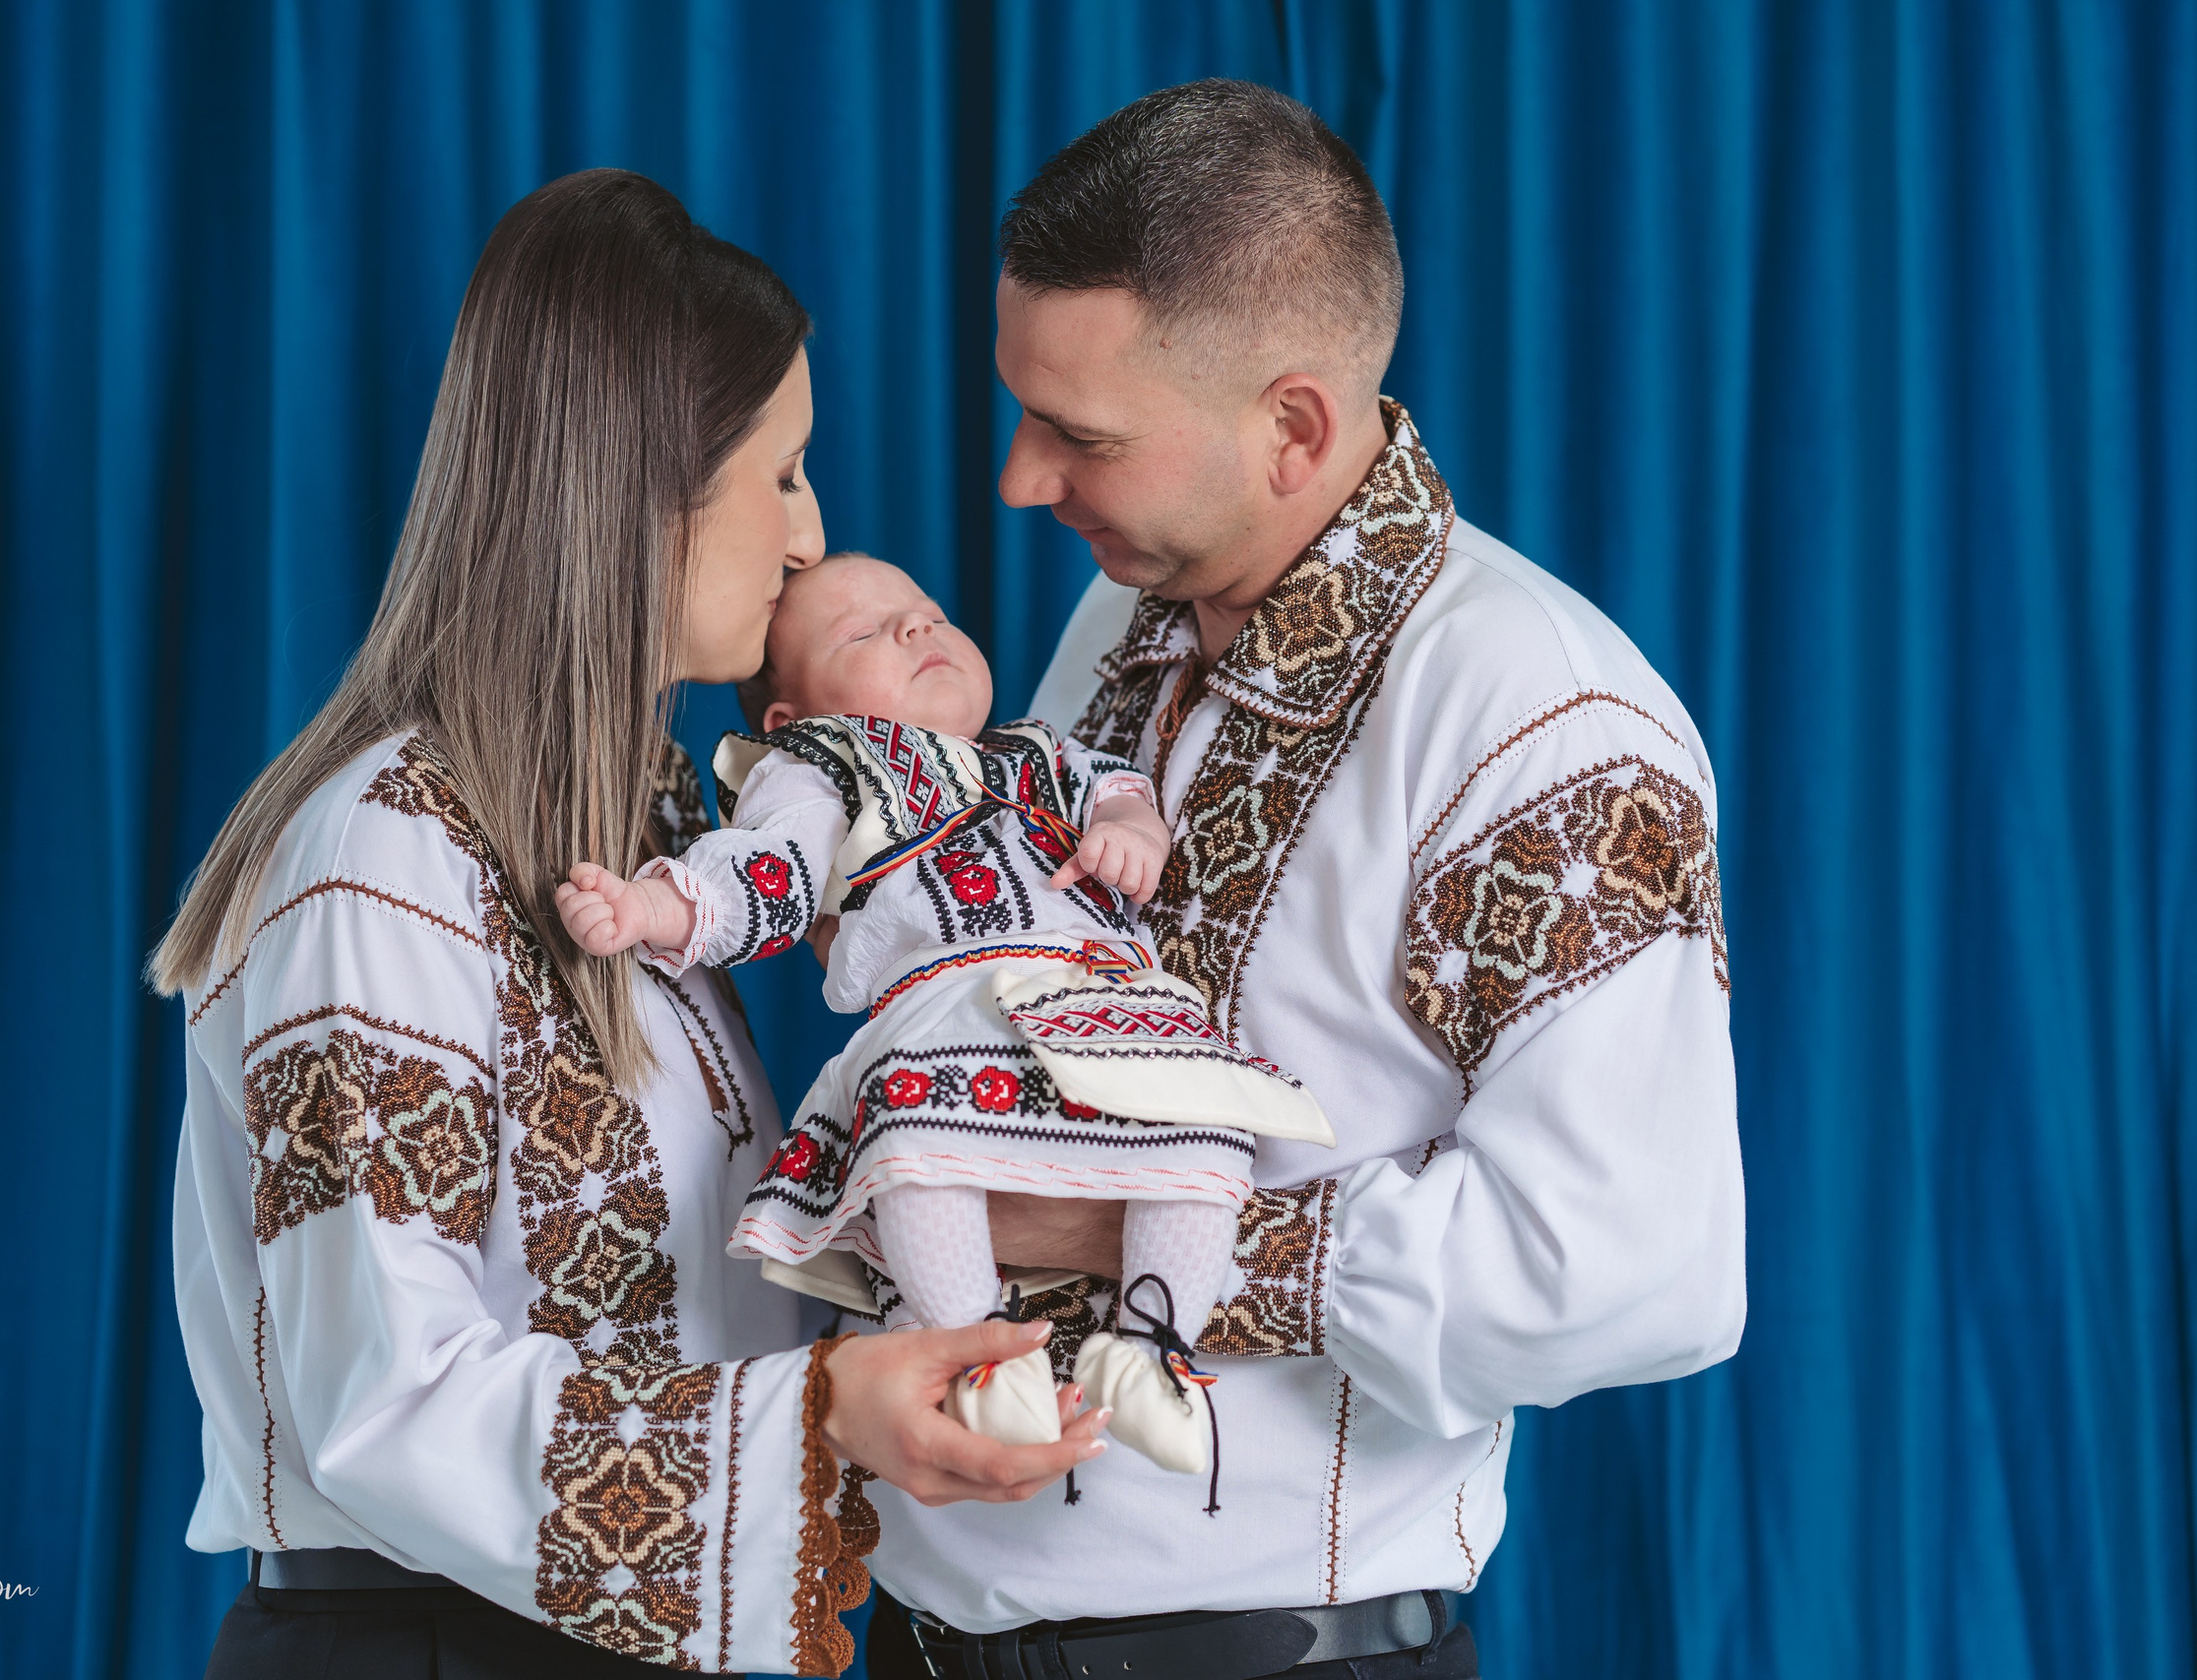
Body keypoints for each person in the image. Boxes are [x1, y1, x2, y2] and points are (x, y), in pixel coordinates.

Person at [156, 169, 1107, 1680]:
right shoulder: (381, 856)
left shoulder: (649, 836)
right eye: (782, 473)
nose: (810, 538)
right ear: (646, 484)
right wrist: (826, 1410)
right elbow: (376, 1390)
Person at [859, 82, 1746, 1680]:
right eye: (1023, 413)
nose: (1016, 482)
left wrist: (1137, 1232)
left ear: (1296, 428)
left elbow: (1636, 1262)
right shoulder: (1107, 635)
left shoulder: (1541, 722)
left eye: (1080, 435)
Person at [554, 553, 1331, 1489]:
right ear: (791, 720)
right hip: (946, 1005)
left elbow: (1124, 790)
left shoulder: (1043, 752)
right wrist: (658, 910)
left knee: (1205, 1135)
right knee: (919, 1149)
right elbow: (768, 872)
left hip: (1105, 998)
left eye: (924, 610)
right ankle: (978, 1351)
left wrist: (1136, 831)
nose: (916, 629)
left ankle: (1149, 1346)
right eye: (864, 632)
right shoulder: (824, 765)